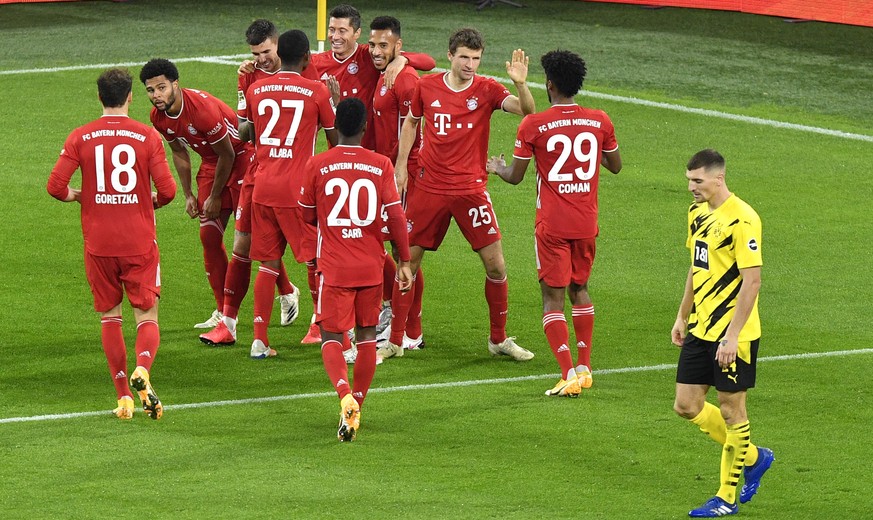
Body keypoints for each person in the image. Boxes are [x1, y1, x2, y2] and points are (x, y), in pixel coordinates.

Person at [389, 28, 536, 361]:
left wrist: (521, 83)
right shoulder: (426, 87)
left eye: (476, 58)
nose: (471, 64)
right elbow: (411, 124)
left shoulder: (486, 89)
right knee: (407, 263)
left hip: (470, 190)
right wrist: (400, 167)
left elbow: (526, 109)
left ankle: (498, 339)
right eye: (465, 57)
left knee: (496, 267)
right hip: (429, 187)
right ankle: (396, 341)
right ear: (450, 55)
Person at [487, 50, 622, 396]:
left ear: (548, 84)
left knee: (552, 298)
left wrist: (496, 167)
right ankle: (585, 367)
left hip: (552, 225)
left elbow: (516, 177)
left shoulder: (534, 124)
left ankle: (567, 375)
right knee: (581, 289)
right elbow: (615, 165)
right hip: (586, 223)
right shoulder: (599, 120)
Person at [47, 68, 177, 420]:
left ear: (99, 97)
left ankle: (123, 398)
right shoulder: (147, 136)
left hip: (99, 243)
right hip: (138, 240)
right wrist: (150, 200)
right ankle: (144, 369)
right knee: (146, 314)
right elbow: (168, 191)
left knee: (110, 317)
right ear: (130, 96)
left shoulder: (81, 136)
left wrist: (77, 195)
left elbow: (55, 185)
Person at [299, 97, 412, 441]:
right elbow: (395, 217)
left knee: (332, 336)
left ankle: (344, 393)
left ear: (335, 125)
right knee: (366, 337)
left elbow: (305, 213)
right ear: (365, 127)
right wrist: (404, 261)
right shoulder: (380, 165)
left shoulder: (317, 164)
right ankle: (358, 404)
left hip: (334, 266)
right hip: (370, 266)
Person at [670, 149, 774, 517]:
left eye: (697, 181)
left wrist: (731, 336)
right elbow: (696, 266)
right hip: (701, 327)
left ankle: (726, 497)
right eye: (689, 180)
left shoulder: (743, 220)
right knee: (686, 405)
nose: (691, 187)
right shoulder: (696, 213)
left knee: (733, 411)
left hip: (734, 335)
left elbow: (753, 281)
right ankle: (756, 458)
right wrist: (682, 316)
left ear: (719, 179)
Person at [199, 19, 304, 348]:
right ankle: (229, 322)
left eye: (267, 52)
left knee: (311, 253)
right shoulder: (248, 76)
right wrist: (244, 90)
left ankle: (320, 322)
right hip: (256, 173)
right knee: (243, 246)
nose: (261, 58)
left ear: (278, 45)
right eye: (256, 53)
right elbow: (244, 130)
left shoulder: (304, 71)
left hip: (295, 178)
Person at [140, 58, 254, 332]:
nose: (156, 95)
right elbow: (179, 151)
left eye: (162, 88)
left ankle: (286, 290)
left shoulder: (200, 110)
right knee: (209, 236)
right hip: (212, 162)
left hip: (240, 159)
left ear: (175, 85)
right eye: (151, 90)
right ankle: (223, 311)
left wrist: (214, 197)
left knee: (250, 239)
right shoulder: (159, 117)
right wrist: (189, 194)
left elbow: (228, 152)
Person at [244, 29, 338, 359]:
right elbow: (336, 143)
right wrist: (335, 106)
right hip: (298, 191)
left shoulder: (256, 89)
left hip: (263, 186)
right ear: (308, 58)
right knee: (316, 260)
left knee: (268, 265)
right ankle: (319, 328)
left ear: (279, 56)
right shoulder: (316, 91)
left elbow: (253, 136)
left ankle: (259, 340)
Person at [367, 15, 425, 354]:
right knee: (395, 250)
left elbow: (411, 127)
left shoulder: (405, 81)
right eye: (373, 45)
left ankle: (407, 327)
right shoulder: (385, 71)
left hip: (405, 176)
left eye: (383, 46)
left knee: (404, 252)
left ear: (397, 46)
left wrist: (399, 170)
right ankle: (403, 321)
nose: (376, 51)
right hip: (386, 171)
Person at [310, 4, 436, 151]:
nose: (335, 36)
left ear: (357, 33)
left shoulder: (370, 55)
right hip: (338, 152)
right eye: (332, 30)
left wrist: (403, 59)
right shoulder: (315, 63)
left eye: (342, 31)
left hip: (372, 152)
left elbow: (429, 62)